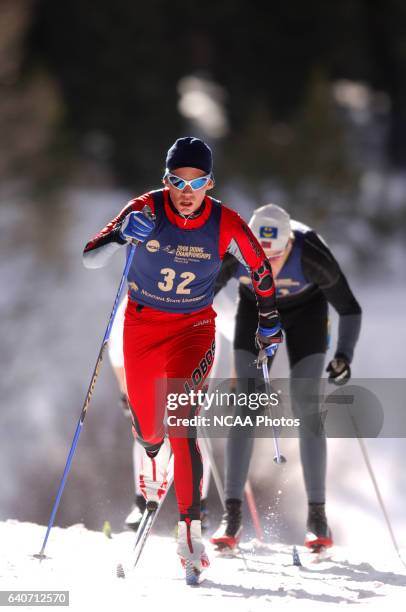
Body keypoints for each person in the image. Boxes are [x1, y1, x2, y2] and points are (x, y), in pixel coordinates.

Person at [83, 137, 283, 573]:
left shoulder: (225, 222)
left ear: (211, 183)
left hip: (193, 329)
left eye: (198, 181)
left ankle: (190, 530)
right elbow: (90, 256)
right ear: (166, 180)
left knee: (181, 420)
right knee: (149, 429)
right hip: (141, 326)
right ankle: (153, 463)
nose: (187, 190)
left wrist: (269, 317)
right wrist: (120, 235)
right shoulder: (146, 209)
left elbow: (260, 267)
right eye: (178, 180)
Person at [210, 203, 362, 551]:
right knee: (246, 405)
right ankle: (231, 517)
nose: (268, 265)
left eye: (276, 256)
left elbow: (350, 308)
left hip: (306, 313)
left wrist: (343, 356)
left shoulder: (312, 255)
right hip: (256, 310)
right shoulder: (235, 252)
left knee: (307, 408)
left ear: (290, 244)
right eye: (259, 258)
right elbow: (202, 296)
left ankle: (317, 518)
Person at [108, 294, 213, 532]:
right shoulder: (135, 298)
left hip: (189, 349)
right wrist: (126, 391)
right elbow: (115, 346)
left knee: (188, 429)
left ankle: (199, 507)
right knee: (147, 431)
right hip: (151, 357)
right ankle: (142, 501)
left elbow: (228, 320)